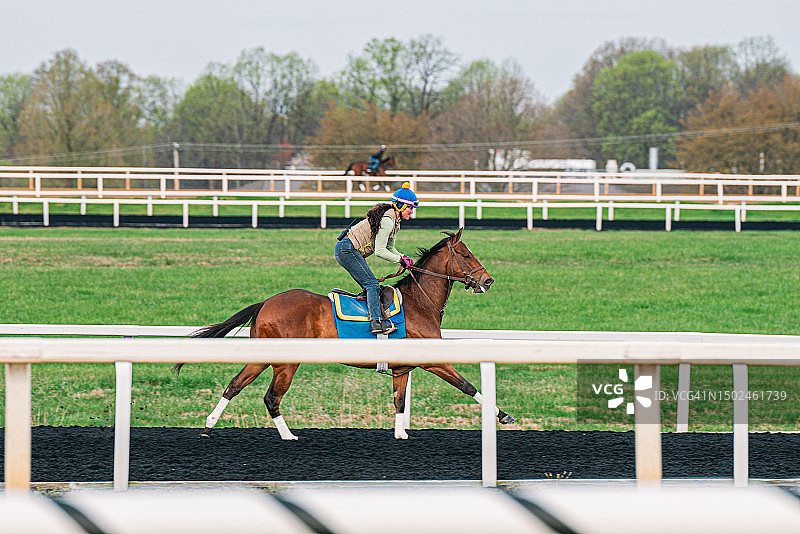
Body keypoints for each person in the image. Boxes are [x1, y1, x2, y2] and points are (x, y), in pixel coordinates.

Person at [334, 181, 418, 335]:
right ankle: (376, 323)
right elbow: (380, 251)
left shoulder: (395, 221)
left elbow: (389, 248)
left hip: (348, 249)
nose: (412, 211)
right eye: (410, 208)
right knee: (372, 285)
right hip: (346, 249)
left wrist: (403, 257)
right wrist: (400, 260)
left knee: (370, 286)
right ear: (400, 206)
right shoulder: (388, 221)